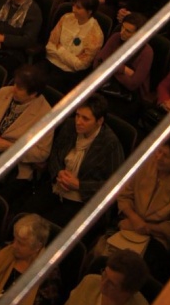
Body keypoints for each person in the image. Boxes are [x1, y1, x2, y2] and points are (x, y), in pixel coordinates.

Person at [21, 95, 124, 226]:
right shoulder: (70, 127)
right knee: (24, 215)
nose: (78, 121)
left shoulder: (110, 145)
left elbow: (116, 185)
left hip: (82, 200)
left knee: (44, 226)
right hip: (57, 186)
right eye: (77, 115)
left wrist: (79, 185)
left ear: (99, 121)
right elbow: (55, 154)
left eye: (85, 119)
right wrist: (59, 172)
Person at [107, 136, 170, 281]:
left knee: (133, 271)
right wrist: (134, 219)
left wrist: (144, 227)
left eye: (165, 156)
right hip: (129, 221)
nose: (158, 157)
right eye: (158, 151)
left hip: (157, 237)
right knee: (103, 254)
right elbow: (124, 195)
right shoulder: (145, 163)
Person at [0, 64, 53, 183]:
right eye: (15, 84)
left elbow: (42, 153)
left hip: (11, 163)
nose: (13, 89)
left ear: (33, 94)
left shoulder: (45, 114)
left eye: (19, 88)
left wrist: (9, 147)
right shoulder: (4, 92)